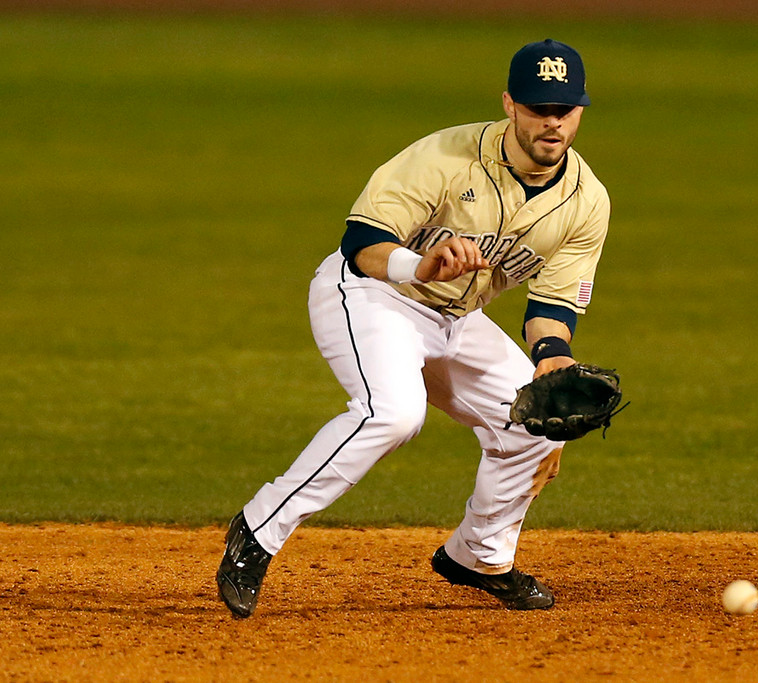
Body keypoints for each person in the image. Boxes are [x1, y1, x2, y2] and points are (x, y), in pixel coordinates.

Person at [216, 38, 611, 617]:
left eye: (564, 110)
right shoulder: (444, 158)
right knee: (394, 414)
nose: (551, 123)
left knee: (533, 424)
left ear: (579, 112)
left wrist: (552, 356)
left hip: (456, 320)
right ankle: (258, 530)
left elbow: (550, 306)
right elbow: (361, 244)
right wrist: (417, 263)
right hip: (372, 295)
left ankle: (479, 555)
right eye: (537, 108)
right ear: (510, 105)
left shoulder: (586, 201)